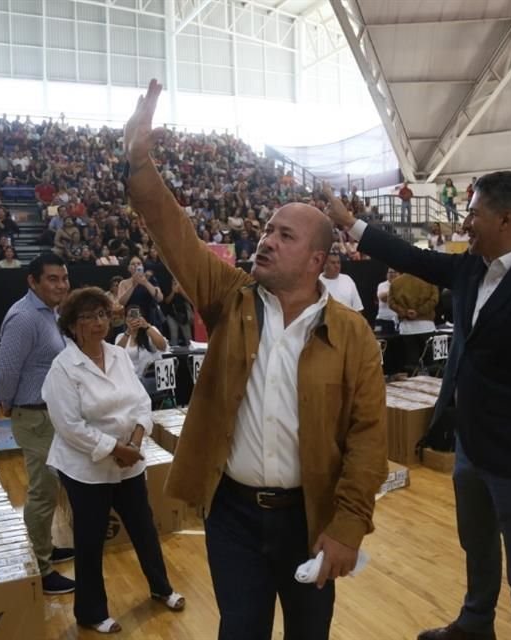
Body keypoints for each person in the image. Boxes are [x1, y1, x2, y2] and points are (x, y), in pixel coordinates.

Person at [124, 80, 387, 639]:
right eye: (266, 229)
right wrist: (140, 162)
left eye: (283, 235)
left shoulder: (352, 334)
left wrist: (348, 526)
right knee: (239, 631)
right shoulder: (232, 297)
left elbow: (367, 439)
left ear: (316, 259)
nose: (265, 240)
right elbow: (177, 236)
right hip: (234, 516)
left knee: (309, 634)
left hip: (310, 516)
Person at [325, 171, 511, 640]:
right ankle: (475, 623)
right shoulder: (469, 268)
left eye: (474, 212)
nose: (466, 223)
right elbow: (410, 256)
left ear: (506, 218)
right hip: (471, 445)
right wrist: (352, 223)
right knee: (477, 547)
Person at [43, 288, 185, 634]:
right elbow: (69, 425)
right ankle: (91, 613)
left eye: (103, 315)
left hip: (130, 459)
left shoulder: (118, 355)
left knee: (144, 528)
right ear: (73, 325)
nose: (98, 323)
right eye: (88, 317)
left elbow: (140, 401)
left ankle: (161, 588)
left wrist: (135, 441)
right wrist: (114, 449)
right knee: (90, 542)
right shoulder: (63, 367)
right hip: (86, 468)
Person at [0, 253, 76, 595]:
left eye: (64, 278)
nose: (60, 285)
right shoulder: (25, 318)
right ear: (33, 281)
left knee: (51, 488)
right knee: (42, 492)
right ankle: (40, 570)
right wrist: (8, 404)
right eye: (52, 279)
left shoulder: (49, 314)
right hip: (34, 415)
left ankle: (47, 549)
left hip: (49, 414)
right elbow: (6, 371)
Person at [388, 272, 439, 372]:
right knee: (432, 363)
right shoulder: (430, 280)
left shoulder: (396, 282)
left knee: (411, 363)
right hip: (427, 326)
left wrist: (404, 312)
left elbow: (391, 302)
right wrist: (419, 312)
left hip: (406, 329)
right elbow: (434, 299)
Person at [115, 308, 169, 394]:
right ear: (125, 320)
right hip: (131, 379)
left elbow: (163, 347)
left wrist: (147, 327)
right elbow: (116, 355)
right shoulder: (121, 336)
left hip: (151, 378)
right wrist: (128, 332)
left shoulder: (151, 330)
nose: (133, 319)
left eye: (137, 315)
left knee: (137, 385)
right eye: (130, 316)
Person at [375, 268, 399, 334]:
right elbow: (383, 298)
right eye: (390, 272)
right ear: (387, 274)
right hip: (384, 320)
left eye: (395, 272)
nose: (392, 274)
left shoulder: (403, 285)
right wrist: (395, 289)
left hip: (399, 321)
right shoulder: (382, 285)